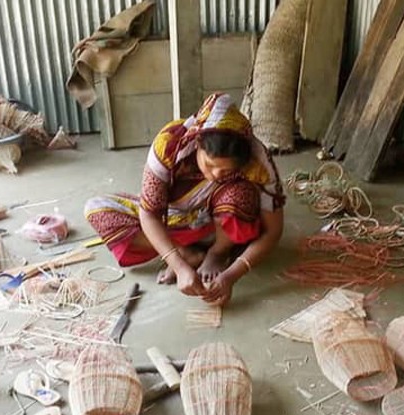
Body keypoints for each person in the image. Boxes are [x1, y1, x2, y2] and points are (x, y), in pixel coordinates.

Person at [84, 93, 285, 306]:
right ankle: (185, 253)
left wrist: (231, 275)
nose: (215, 175)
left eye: (226, 171)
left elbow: (273, 231)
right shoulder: (168, 143)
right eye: (209, 164)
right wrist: (178, 265)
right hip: (173, 219)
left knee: (241, 195)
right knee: (97, 210)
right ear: (197, 143)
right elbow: (150, 214)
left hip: (219, 223)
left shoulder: (258, 161)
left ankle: (218, 252)